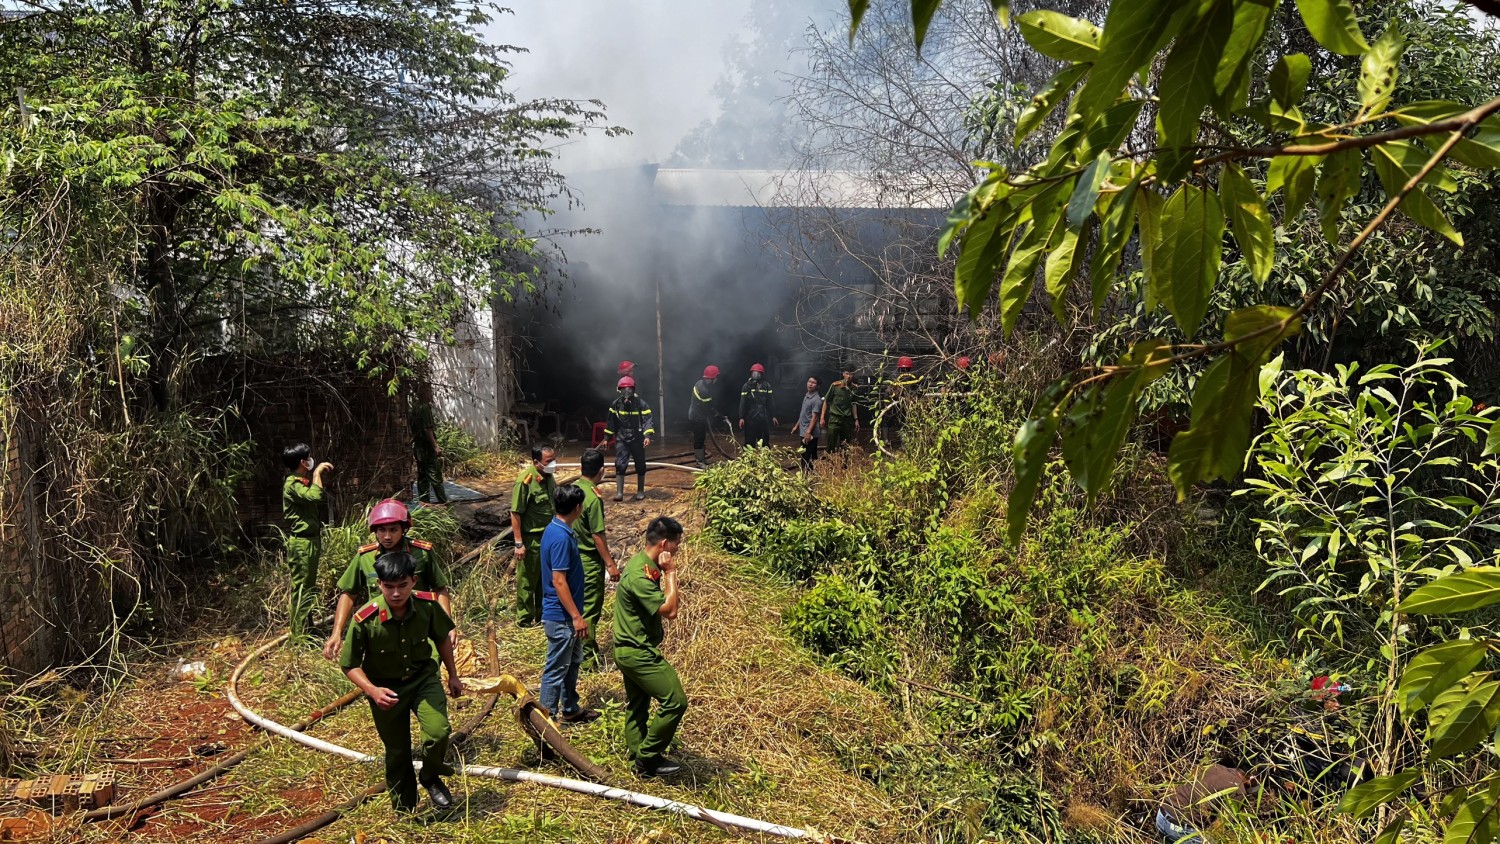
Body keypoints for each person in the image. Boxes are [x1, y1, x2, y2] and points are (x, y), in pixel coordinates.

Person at [339, 551, 463, 813]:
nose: (396, 593)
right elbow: (349, 664)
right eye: (389, 587)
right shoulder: (365, 619)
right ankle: (405, 809)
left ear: (414, 581)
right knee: (397, 751)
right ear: (379, 585)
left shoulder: (427, 606)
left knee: (438, 731)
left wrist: (452, 674)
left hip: (422, 680)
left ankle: (430, 776)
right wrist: (372, 691)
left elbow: (441, 637)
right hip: (385, 689)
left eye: (402, 585)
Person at [323, 499, 453, 662]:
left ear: (403, 529)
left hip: (420, 628)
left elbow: (439, 589)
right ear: (374, 531)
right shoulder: (365, 557)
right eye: (381, 530)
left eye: (393, 530)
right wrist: (337, 633)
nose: (387, 536)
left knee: (428, 672)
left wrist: (447, 626)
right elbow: (349, 593)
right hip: (382, 630)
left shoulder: (422, 554)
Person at [613, 516, 688, 778]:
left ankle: (637, 753)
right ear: (665, 544)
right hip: (637, 652)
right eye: (677, 546)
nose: (677, 551)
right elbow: (670, 610)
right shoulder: (640, 574)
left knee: (638, 704)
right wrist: (671, 573)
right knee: (675, 701)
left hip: (631, 648)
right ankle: (647, 758)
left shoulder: (643, 563)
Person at [539, 483, 601, 725]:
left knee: (573, 662)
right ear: (577, 508)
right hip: (562, 616)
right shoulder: (560, 537)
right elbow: (559, 581)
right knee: (555, 669)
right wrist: (576, 616)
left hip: (568, 615)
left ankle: (571, 708)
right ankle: (546, 721)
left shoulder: (558, 529)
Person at [573, 448, 620, 669]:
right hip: (589, 562)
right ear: (602, 470)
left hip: (573, 558)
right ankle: (587, 659)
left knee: (577, 605)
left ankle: (578, 651)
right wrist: (610, 565)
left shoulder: (574, 491)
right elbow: (597, 535)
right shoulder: (593, 497)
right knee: (590, 610)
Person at [282, 443, 332, 635]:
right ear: (303, 462)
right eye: (309, 457)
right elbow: (315, 496)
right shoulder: (292, 484)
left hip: (310, 541)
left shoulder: (300, 481)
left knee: (308, 588)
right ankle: (298, 636)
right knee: (302, 589)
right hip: (302, 543)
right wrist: (317, 474)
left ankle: (307, 629)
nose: (312, 460)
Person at [510, 444, 557, 627]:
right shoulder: (525, 481)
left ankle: (541, 615)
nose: (553, 463)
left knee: (544, 579)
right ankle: (524, 618)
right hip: (532, 539)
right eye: (549, 461)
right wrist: (519, 543)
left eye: (554, 459)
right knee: (528, 580)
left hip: (548, 537)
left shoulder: (550, 477)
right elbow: (515, 513)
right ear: (536, 462)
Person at [605, 376, 655, 502]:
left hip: (637, 439)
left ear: (633, 390)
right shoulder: (616, 405)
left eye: (629, 389)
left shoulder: (641, 404)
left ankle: (640, 491)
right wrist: (607, 437)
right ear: (619, 390)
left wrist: (647, 436)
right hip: (622, 439)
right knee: (620, 464)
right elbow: (611, 422)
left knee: (640, 464)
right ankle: (619, 493)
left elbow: (647, 421)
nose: (626, 392)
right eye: (623, 389)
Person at [409, 381, 447, 506]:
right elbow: (427, 428)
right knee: (434, 473)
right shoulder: (424, 407)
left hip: (418, 447)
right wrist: (435, 446)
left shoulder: (414, 407)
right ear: (423, 392)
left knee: (423, 475)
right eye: (429, 390)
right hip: (425, 447)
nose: (431, 393)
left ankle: (424, 501)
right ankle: (442, 501)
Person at [820, 368, 861, 453]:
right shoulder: (835, 386)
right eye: (847, 373)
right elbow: (826, 401)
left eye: (851, 374)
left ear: (853, 375)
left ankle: (844, 465)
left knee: (845, 445)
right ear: (843, 374)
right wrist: (822, 417)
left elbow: (853, 404)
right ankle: (831, 464)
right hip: (834, 419)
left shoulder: (854, 388)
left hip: (846, 420)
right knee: (831, 444)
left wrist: (856, 419)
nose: (849, 376)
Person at [738, 363, 778, 448]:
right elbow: (743, 402)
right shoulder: (746, 386)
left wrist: (773, 416)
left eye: (758, 373)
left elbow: (771, 401)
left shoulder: (766, 386)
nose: (756, 375)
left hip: (763, 417)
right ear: (751, 373)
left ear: (762, 374)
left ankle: (765, 460)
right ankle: (750, 461)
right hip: (750, 418)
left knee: (764, 442)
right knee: (749, 443)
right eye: (754, 373)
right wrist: (741, 417)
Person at [688, 365, 720, 469]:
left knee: (702, 438)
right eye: (715, 377)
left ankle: (702, 459)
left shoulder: (700, 383)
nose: (716, 380)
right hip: (697, 417)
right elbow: (708, 407)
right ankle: (699, 462)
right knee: (699, 438)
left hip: (699, 415)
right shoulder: (704, 390)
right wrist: (716, 414)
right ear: (710, 379)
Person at [791, 376, 823, 472]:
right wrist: (797, 426)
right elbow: (803, 414)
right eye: (809, 381)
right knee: (811, 455)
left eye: (813, 383)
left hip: (810, 433)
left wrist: (808, 432)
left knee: (806, 455)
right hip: (804, 431)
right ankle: (814, 475)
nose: (810, 384)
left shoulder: (816, 399)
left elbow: (815, 417)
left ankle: (805, 476)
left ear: (818, 386)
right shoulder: (807, 396)